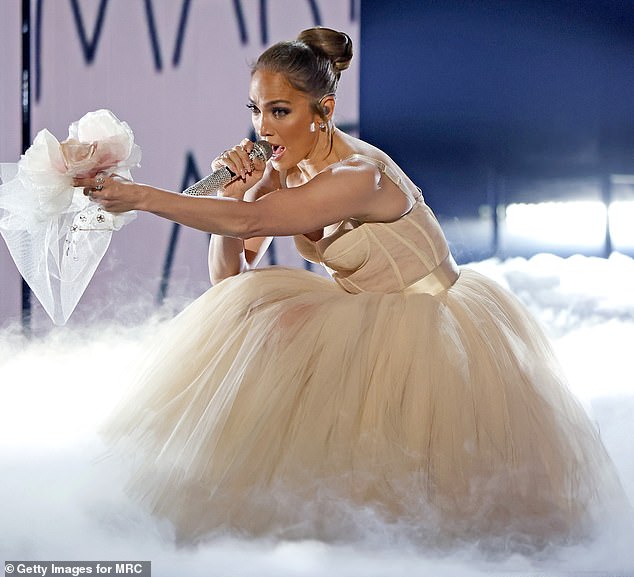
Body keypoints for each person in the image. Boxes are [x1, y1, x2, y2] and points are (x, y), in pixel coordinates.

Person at [75, 27, 627, 549]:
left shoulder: (358, 175)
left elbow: (246, 228)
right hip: (365, 315)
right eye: (257, 111)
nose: (263, 129)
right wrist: (247, 192)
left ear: (325, 111)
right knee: (256, 315)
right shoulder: (292, 172)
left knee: (437, 504)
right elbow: (228, 280)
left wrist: (145, 198)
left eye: (280, 111)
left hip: (428, 323)